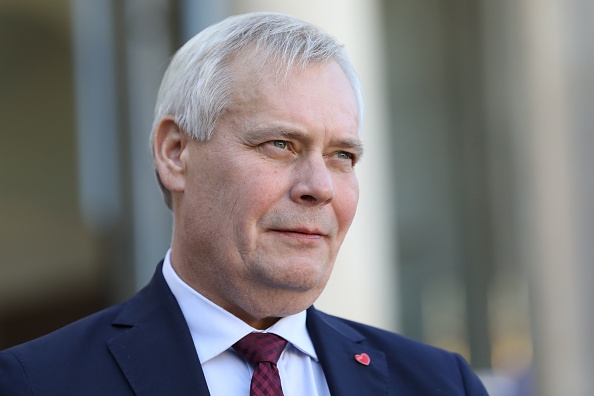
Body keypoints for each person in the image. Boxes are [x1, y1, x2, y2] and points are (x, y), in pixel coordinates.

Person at [0, 12, 488, 395]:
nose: (319, 186)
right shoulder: (36, 382)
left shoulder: (441, 383)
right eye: (280, 144)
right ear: (175, 153)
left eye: (342, 155)